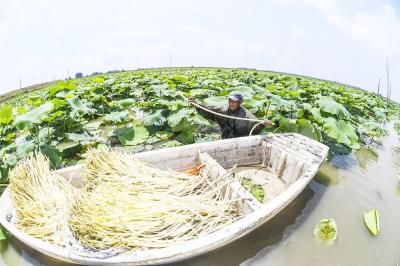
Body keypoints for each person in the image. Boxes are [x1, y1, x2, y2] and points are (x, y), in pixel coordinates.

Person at [188, 92, 272, 139]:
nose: (232, 103)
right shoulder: (222, 110)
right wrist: (196, 105)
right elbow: (209, 112)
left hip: (238, 139)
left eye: (235, 102)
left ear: (240, 103)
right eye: (230, 101)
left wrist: (262, 124)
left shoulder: (246, 116)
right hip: (225, 136)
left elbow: (255, 128)